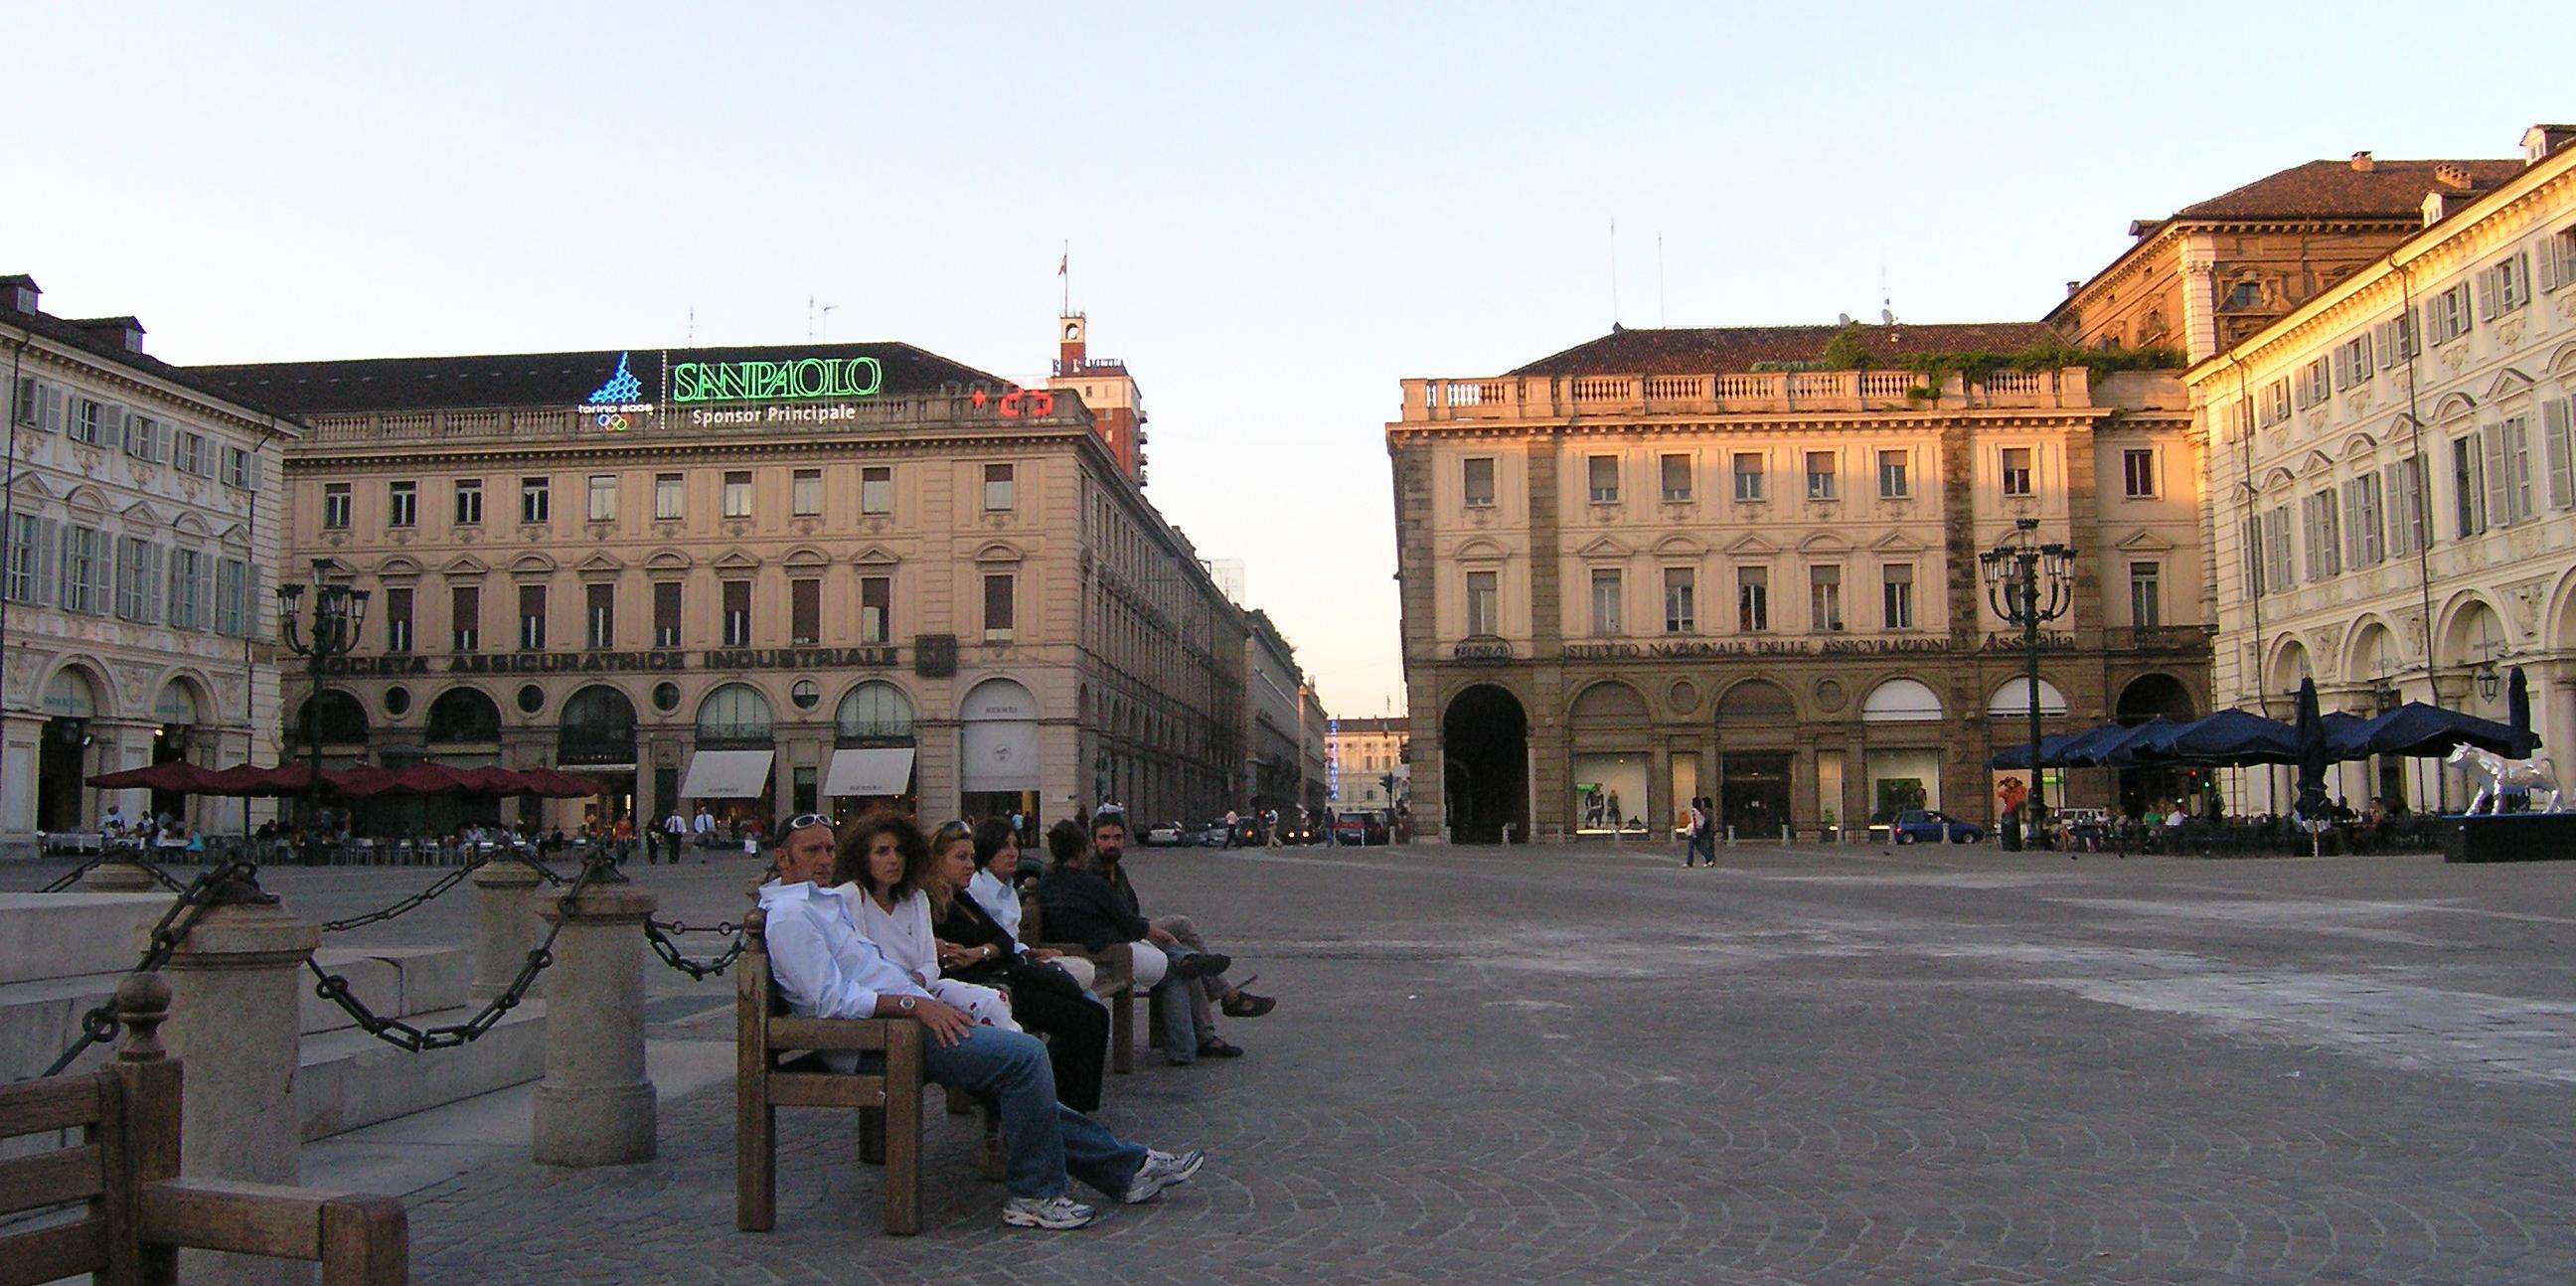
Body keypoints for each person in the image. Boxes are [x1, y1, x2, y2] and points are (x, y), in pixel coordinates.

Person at [758, 815, 1204, 1229]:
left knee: (1015, 1070)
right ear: (783, 858)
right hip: (879, 1038)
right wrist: (915, 1006)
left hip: (906, 1021)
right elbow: (830, 1001)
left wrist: (922, 996)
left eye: (828, 849)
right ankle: (1034, 1194)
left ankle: (1127, 1169)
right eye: (812, 851)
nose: (824, 860)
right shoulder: (794, 917)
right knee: (1024, 1057)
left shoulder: (822, 903)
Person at [925, 821, 1112, 1111]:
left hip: (1009, 972)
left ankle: (1067, 1105)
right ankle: (1062, 1107)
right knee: (1083, 1020)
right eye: (961, 858)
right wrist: (984, 952)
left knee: (1094, 1012)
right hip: (991, 986)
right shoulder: (930, 904)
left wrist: (981, 951)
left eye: (971, 857)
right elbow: (951, 957)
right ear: (937, 861)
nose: (969, 865)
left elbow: (1002, 938)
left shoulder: (961, 897)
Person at [1037, 818, 1233, 1065]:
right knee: (1174, 970)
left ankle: (1189, 960)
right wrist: (1153, 932)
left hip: (1081, 951)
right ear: (1083, 849)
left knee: (1175, 950)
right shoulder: (1093, 884)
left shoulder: (1046, 882)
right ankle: (1183, 1049)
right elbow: (1129, 923)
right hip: (1104, 955)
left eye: (1116, 837)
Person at [1089, 811, 1275, 1060]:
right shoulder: (1094, 875)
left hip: (1130, 932)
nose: (1111, 843)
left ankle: (1213, 1020)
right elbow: (1116, 922)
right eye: (1104, 838)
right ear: (1093, 841)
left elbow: (1131, 912)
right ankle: (1225, 1002)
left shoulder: (1117, 872)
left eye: (1117, 837)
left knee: (1188, 947)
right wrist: (1151, 931)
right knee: (1186, 948)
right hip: (1116, 942)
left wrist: (1148, 929)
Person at [836, 812, 1017, 1032]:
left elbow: (930, 964)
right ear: (862, 857)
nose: (894, 859)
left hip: (924, 988)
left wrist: (918, 980)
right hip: (884, 1005)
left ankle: (1014, 1045)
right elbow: (858, 970)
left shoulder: (916, 898)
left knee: (994, 1002)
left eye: (900, 851)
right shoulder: (850, 897)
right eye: (882, 851)